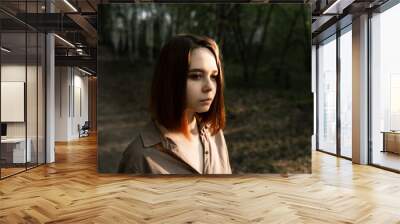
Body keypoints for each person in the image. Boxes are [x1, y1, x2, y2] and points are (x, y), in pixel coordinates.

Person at [118, 34, 232, 174]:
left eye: (213, 76)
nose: (209, 87)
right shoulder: (139, 158)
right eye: (196, 76)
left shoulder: (214, 134)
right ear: (170, 80)